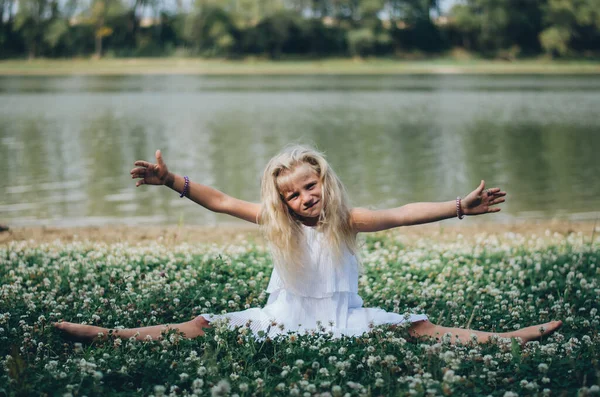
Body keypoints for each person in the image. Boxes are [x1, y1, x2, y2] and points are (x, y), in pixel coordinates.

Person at [55, 145, 561, 344]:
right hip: (282, 316)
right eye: (291, 195)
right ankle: (114, 335)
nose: (302, 199)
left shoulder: (347, 220)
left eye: (308, 187)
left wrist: (458, 206)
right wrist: (172, 182)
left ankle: (507, 340)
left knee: (423, 328)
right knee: (199, 326)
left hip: (343, 319)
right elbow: (222, 200)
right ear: (282, 202)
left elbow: (403, 214)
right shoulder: (279, 224)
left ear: (324, 181)